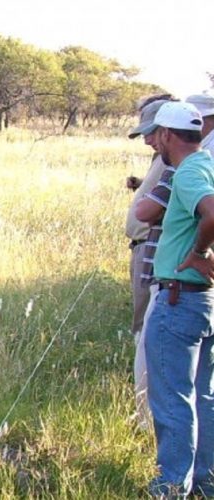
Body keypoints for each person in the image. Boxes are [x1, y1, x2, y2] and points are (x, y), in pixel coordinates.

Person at [139, 101, 214, 497]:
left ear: (167, 135)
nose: (156, 143)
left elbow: (212, 211)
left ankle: (171, 485)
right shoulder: (209, 165)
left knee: (172, 401)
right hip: (203, 301)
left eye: (157, 136)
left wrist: (200, 252)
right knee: (203, 395)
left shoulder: (187, 173)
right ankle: (205, 480)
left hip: (178, 299)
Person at [125, 96, 174, 429]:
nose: (146, 139)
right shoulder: (163, 159)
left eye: (151, 131)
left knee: (148, 334)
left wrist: (200, 251)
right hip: (144, 246)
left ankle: (147, 418)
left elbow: (150, 209)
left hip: (154, 252)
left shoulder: (182, 164)